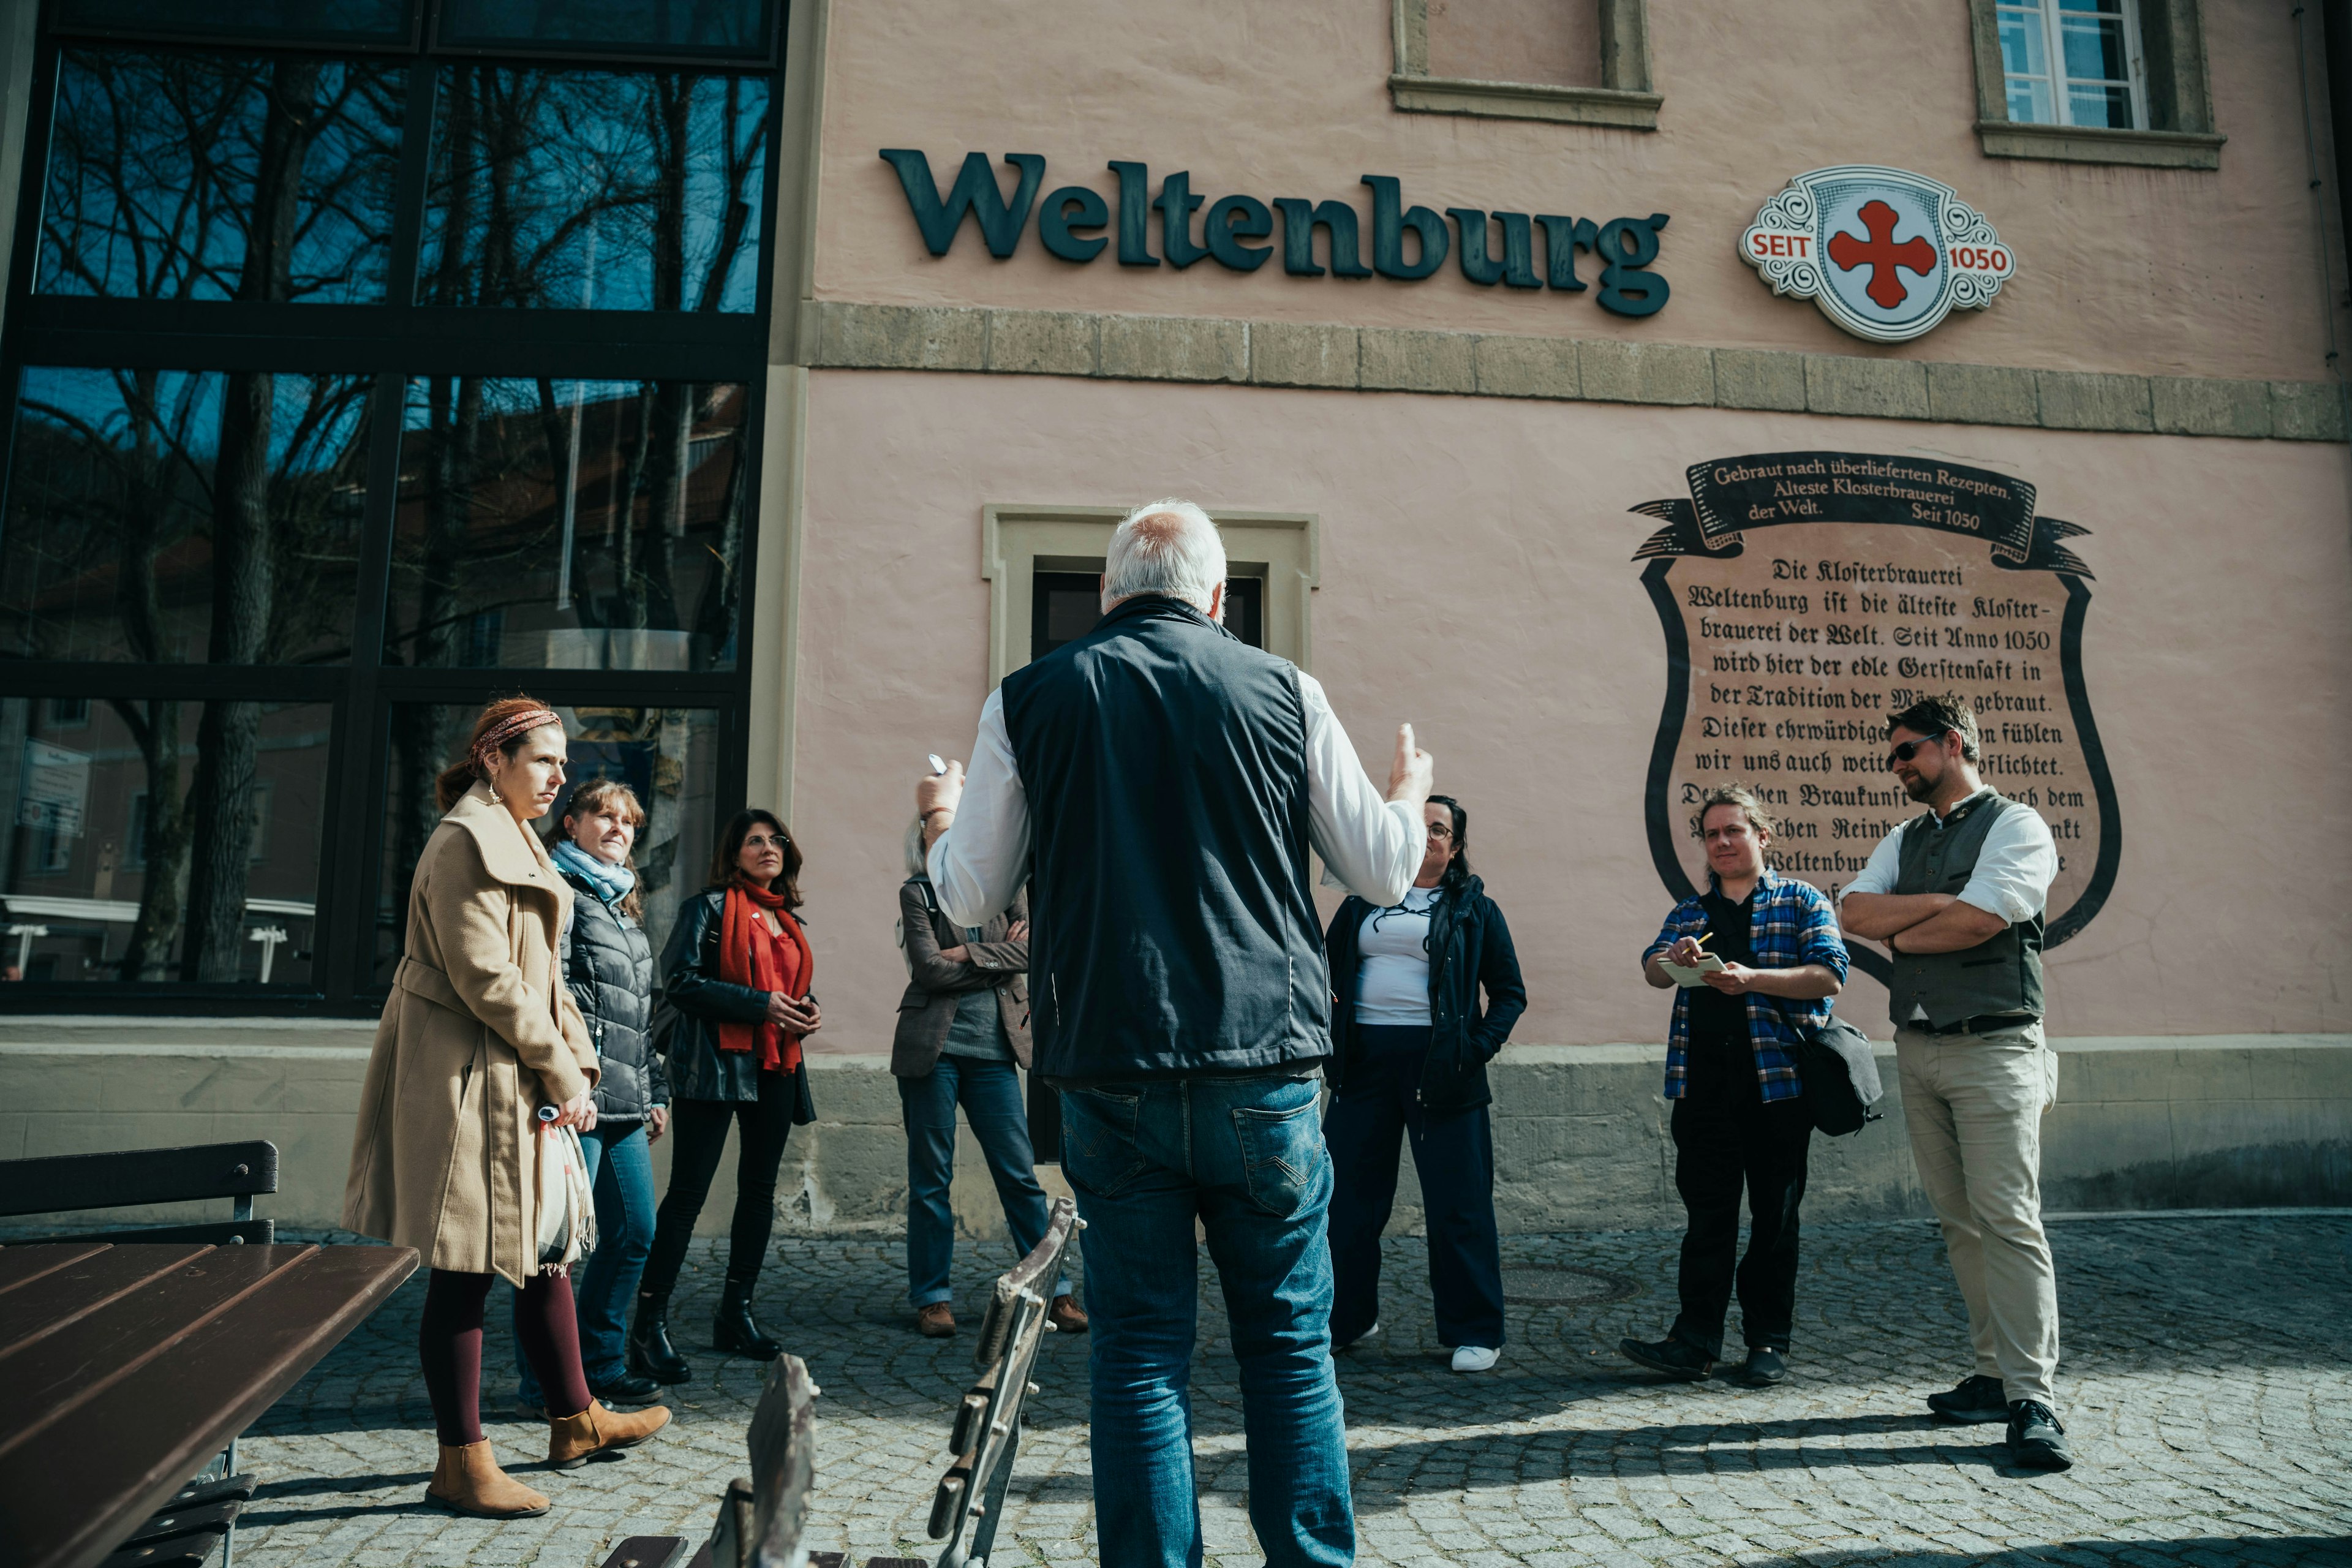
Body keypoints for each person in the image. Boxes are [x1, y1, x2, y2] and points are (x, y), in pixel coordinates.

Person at [918, 497, 1429, 1568]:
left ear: (1108, 594)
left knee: (1140, 1354)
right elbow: (1383, 873)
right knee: (1289, 1351)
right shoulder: (1286, 687)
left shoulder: (1030, 697)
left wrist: (939, 822)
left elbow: (969, 897)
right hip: (1265, 1058)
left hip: (1109, 1058)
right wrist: (1410, 792)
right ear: (1215, 597)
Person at [342, 699, 671, 1520]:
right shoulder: (467, 839)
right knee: (462, 1269)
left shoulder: (515, 834)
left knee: (540, 1251)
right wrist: (563, 1072)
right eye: (544, 761)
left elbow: (545, 976)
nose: (561, 776)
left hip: (505, 1071)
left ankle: (576, 1419)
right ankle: (461, 1463)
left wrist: (578, 1063)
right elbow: (486, 976)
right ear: (494, 759)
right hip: (461, 1075)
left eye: (563, 763)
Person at [1838, 696, 2069, 1470]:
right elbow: (1853, 912)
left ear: (1953, 742)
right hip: (1921, 1044)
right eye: (1892, 756)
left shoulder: (2017, 824)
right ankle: (1992, 1371)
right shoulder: (1904, 836)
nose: (1898, 766)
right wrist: (1940, 903)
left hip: (1997, 1045)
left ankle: (2033, 1396)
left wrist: (1918, 924)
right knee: (1958, 1220)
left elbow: (1987, 918)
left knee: (2008, 1217)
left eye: (1908, 751)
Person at [1625, 786, 1848, 1388]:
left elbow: (1829, 973)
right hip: (1701, 1088)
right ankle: (1693, 1340)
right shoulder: (1689, 913)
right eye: (1713, 833)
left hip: (1778, 1089)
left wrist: (1753, 979)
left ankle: (1767, 1341)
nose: (1722, 842)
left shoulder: (1801, 901)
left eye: (1734, 830)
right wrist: (1675, 955)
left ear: (1762, 837)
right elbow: (1651, 970)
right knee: (1708, 1218)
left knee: (1774, 1220)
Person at [1322, 793, 1525, 1373]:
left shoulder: (1474, 910)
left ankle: (1476, 1330)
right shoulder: (1365, 901)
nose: (1428, 836)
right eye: (1417, 826)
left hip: (1443, 1070)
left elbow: (1509, 994)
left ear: (1455, 846)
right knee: (1349, 1204)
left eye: (1440, 830)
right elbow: (1325, 969)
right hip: (1363, 1065)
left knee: (1457, 1203)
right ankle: (1347, 1319)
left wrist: (1474, 1050)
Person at [629, 809, 820, 1382]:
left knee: (758, 1191)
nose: (768, 848)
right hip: (712, 1067)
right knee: (687, 1194)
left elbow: (793, 987)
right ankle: (648, 1322)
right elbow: (681, 981)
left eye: (776, 840)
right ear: (733, 854)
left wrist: (809, 1009)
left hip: (776, 1066)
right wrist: (759, 1005)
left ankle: (735, 1313)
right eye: (754, 841)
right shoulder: (707, 909)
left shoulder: (788, 920)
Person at [511, 779, 669, 1413]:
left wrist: (655, 1091)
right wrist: (569, 1080)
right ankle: (543, 1381)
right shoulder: (563, 893)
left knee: (634, 1231)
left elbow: (643, 1014)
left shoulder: (624, 905)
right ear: (571, 823)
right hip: (579, 1097)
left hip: (628, 1100)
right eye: (603, 816)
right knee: (559, 1243)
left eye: (627, 822)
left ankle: (598, 1363)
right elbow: (556, 996)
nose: (616, 829)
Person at [892, 816, 1082, 1337]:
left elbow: (1034, 950)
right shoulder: (919, 894)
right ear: (924, 839)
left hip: (996, 1050)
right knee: (932, 1179)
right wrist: (995, 958)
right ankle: (932, 1298)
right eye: (937, 826)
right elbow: (929, 968)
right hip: (932, 1051)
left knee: (1019, 1175)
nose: (949, 833)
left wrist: (966, 952)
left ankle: (1055, 1290)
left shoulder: (1007, 889)